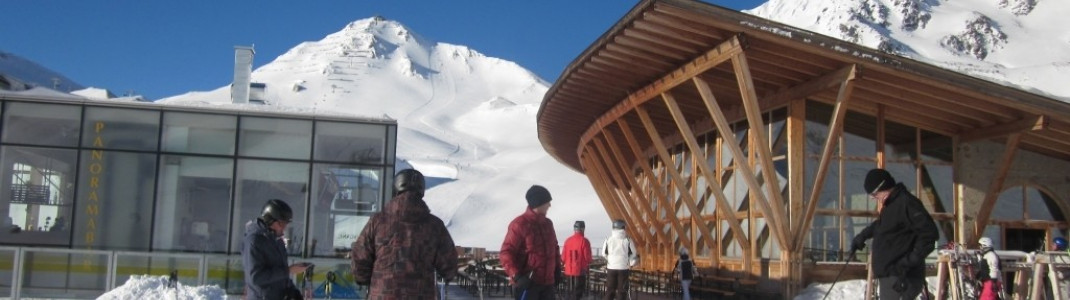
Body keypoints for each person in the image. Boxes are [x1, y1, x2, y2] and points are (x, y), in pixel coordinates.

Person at [350, 169, 458, 299]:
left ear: (395, 189)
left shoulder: (377, 222)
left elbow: (360, 257)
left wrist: (366, 280)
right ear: (421, 191)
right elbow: (449, 265)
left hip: (383, 294)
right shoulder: (435, 225)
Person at [850, 168, 939, 300]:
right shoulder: (892, 205)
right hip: (891, 276)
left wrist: (907, 263)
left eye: (874, 194)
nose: (874, 198)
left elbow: (929, 234)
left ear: (883, 186)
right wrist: (862, 236)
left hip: (902, 277)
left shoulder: (907, 203)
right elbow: (884, 226)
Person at [500, 185, 561, 300]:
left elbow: (554, 248)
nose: (549, 205)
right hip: (528, 284)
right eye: (547, 202)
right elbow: (506, 252)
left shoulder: (548, 224)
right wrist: (517, 276)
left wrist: (557, 269)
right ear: (538, 203)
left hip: (548, 284)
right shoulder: (519, 224)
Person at [242, 199, 309, 300]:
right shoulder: (254, 241)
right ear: (269, 220)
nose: (284, 228)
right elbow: (255, 278)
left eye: (286, 224)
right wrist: (288, 270)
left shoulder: (277, 240)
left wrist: (292, 291)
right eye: (281, 224)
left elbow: (280, 274)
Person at [602, 219, 638, 300]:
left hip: (611, 268)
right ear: (623, 227)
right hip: (623, 268)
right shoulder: (628, 240)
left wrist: (610, 260)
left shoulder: (608, 240)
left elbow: (604, 253)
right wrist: (629, 262)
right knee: (622, 290)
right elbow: (634, 253)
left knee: (610, 290)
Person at [562, 220, 592, 300]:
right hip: (580, 271)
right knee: (578, 293)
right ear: (583, 229)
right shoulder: (585, 241)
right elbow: (588, 258)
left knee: (569, 292)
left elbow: (563, 258)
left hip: (568, 270)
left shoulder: (567, 240)